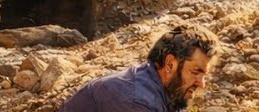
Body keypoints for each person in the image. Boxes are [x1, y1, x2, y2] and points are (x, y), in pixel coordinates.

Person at [59, 25, 218, 111]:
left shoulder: (166, 91)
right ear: (170, 64)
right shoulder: (136, 101)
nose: (201, 84)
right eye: (196, 72)